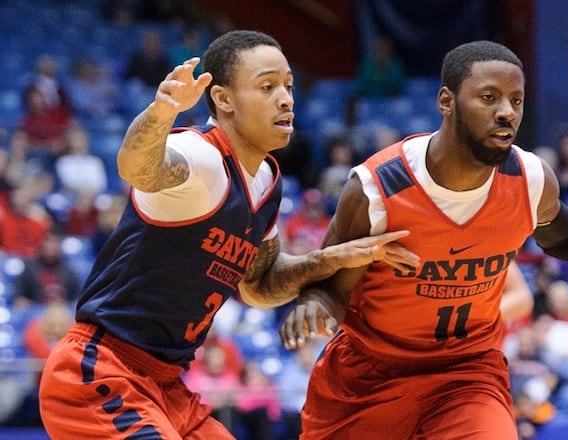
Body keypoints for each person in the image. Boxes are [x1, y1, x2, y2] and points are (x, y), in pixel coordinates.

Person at [278, 40, 568, 439]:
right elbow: (330, 283)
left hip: (466, 374)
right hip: (368, 378)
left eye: (516, 100)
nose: (506, 112)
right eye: (489, 97)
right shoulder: (379, 188)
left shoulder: (530, 177)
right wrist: (315, 304)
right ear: (446, 101)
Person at [38, 30, 418, 440]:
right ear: (223, 99)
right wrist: (161, 114)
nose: (286, 99)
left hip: (166, 386)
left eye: (289, 86)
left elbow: (260, 286)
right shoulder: (202, 157)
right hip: (101, 371)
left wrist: (334, 258)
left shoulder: (267, 181)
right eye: (268, 86)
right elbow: (137, 169)